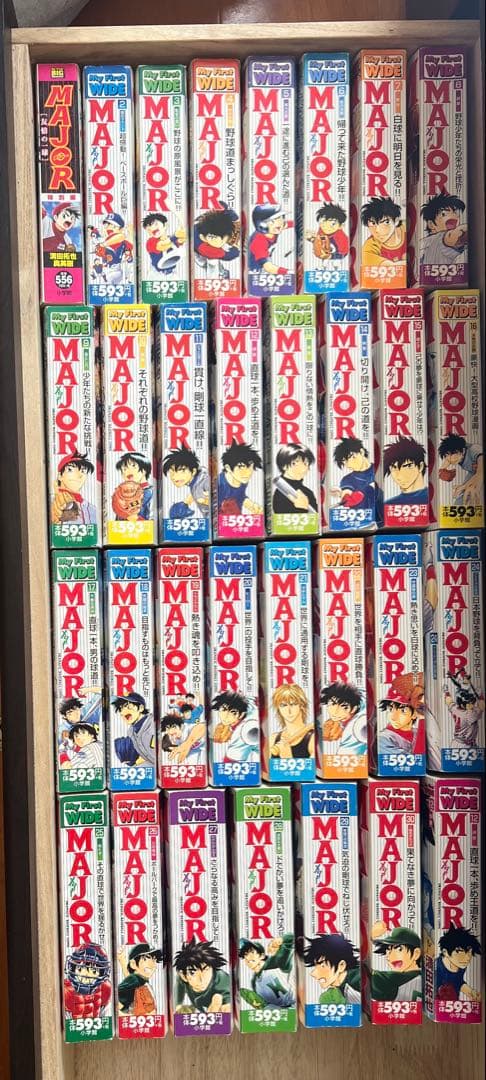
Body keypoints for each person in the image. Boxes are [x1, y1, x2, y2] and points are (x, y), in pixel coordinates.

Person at [173, 938, 231, 1013]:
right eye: (193, 973)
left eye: (206, 969)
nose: (202, 979)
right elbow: (177, 996)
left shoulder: (222, 980)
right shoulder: (181, 978)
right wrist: (178, 1007)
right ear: (184, 976)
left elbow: (227, 999)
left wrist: (222, 1003)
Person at [302, 933, 360, 1005]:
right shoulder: (333, 993)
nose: (313, 973)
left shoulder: (359, 981)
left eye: (322, 966)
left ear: (341, 965)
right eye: (315, 966)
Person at [239, 935, 295, 1008]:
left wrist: (281, 940)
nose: (247, 957)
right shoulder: (254, 983)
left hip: (296, 1006)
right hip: (280, 1012)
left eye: (252, 952)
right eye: (245, 955)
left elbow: (292, 939)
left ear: (262, 956)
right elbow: (265, 1004)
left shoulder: (274, 963)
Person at [371, 925, 422, 1002]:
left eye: (399, 949)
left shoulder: (394, 981)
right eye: (388, 950)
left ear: (416, 953)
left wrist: (370, 935)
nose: (389, 956)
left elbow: (359, 974)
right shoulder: (422, 976)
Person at [379, 673, 425, 757]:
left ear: (415, 714)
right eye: (390, 709)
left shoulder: (418, 732)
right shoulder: (383, 739)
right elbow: (416, 759)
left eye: (403, 711)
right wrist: (422, 720)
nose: (393, 717)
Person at [435, 924, 481, 1002]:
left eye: (469, 952)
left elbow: (458, 982)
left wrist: (471, 992)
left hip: (454, 1005)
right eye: (460, 952)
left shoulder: (460, 965)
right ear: (445, 952)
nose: (467, 958)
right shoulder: (436, 968)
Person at [162, 445, 210, 521]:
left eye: (181, 471)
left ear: (193, 471)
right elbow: (195, 490)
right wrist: (185, 503)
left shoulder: (205, 481)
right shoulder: (197, 477)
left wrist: (206, 501)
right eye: (171, 473)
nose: (174, 477)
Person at [64, 944, 111, 1019]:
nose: (85, 973)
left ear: (102, 973)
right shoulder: (66, 990)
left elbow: (106, 1017)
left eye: (94, 971)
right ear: (73, 967)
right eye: (80, 968)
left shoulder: (105, 988)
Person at [211, 691, 258, 765]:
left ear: (241, 715)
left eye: (233, 712)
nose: (226, 716)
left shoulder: (242, 732)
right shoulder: (248, 703)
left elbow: (230, 764)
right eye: (223, 710)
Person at [421, 193, 467, 267]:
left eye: (454, 212)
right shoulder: (439, 238)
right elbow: (455, 235)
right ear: (431, 224)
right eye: (444, 214)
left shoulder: (425, 243)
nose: (454, 216)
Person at [332, 438, 377, 514]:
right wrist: (345, 496)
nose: (349, 464)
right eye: (345, 461)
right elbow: (347, 496)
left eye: (353, 457)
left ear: (361, 452)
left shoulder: (378, 469)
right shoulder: (348, 480)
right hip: (360, 516)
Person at [218, 440, 263, 516]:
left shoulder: (242, 480)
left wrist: (251, 505)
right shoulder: (220, 484)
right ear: (228, 468)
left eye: (250, 467)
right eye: (241, 468)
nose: (247, 473)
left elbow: (240, 495)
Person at [320, 682, 365, 757]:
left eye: (343, 707)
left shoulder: (356, 725)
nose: (335, 711)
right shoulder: (332, 723)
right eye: (332, 704)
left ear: (354, 709)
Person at [270, 684, 314, 761]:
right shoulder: (273, 738)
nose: (289, 710)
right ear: (278, 708)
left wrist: (287, 757)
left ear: (301, 705)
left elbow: (310, 769)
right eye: (283, 705)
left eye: (293, 704)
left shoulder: (312, 738)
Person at [438, 434, 483, 508]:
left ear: (462, 450)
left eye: (451, 455)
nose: (449, 459)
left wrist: (465, 486)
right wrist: (442, 471)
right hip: (473, 473)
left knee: (469, 491)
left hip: (479, 473)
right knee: (462, 495)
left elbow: (481, 470)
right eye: (446, 456)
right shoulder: (455, 454)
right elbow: (443, 466)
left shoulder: (474, 449)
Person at [52, 452, 97, 526]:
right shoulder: (52, 502)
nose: (79, 475)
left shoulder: (91, 508)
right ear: (60, 476)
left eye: (83, 471)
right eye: (70, 469)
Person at [117, 944, 163, 1016]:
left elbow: (130, 978)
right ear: (133, 964)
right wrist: (133, 1018)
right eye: (145, 959)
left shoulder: (140, 979)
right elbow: (115, 1006)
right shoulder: (134, 980)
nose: (152, 964)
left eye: (154, 960)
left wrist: (122, 959)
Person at [248, 204, 293, 276]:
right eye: (273, 221)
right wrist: (289, 272)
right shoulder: (258, 242)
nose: (280, 222)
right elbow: (269, 268)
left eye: (281, 218)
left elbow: (290, 224)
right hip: (258, 272)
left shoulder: (274, 228)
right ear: (262, 225)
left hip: (270, 261)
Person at [112, 693, 155, 767]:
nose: (123, 712)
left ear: (141, 708)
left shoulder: (154, 723)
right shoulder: (131, 731)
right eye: (121, 709)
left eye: (129, 707)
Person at [361, 197, 406, 268]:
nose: (378, 230)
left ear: (396, 221)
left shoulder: (406, 228)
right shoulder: (369, 248)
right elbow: (391, 267)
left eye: (386, 222)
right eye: (373, 223)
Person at [273, 443, 317, 515]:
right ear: (284, 466)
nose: (301, 468)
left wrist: (306, 508)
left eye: (305, 464)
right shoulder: (280, 492)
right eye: (294, 463)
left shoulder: (308, 493)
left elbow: (316, 517)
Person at [383, 437, 428, 506]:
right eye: (394, 467)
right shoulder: (389, 504)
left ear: (421, 466)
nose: (400, 475)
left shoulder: (430, 498)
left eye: (408, 466)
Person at [193, 205, 240, 270]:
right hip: (199, 245)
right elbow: (232, 254)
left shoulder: (232, 219)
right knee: (210, 260)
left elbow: (237, 225)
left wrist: (231, 243)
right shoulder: (202, 244)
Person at [114, 452, 153, 521]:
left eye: (133, 466)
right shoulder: (122, 494)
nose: (128, 472)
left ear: (144, 469)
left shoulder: (150, 492)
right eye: (124, 469)